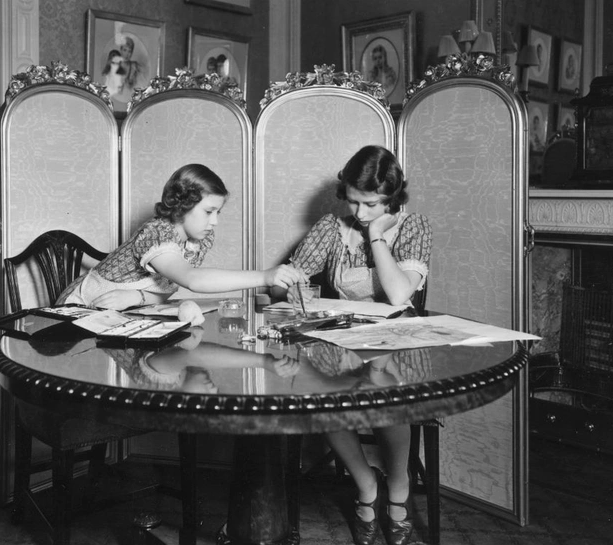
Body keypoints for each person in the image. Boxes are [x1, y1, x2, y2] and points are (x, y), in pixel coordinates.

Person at [275, 145, 432, 545]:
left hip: (396, 342)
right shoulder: (332, 227)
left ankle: (399, 487)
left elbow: (399, 295)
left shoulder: (414, 227)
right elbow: (292, 275)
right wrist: (289, 285)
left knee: (386, 387)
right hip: (342, 340)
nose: (360, 213)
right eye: (353, 201)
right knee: (318, 395)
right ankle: (366, 484)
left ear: (392, 197)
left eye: (371, 204)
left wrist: (376, 236)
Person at [57, 164, 306, 310]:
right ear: (183, 205)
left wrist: (137, 296)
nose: (215, 221)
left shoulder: (197, 241)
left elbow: (167, 288)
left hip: (120, 313)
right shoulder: (156, 233)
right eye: (208, 212)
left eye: (218, 212)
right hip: (78, 308)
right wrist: (264, 276)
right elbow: (192, 280)